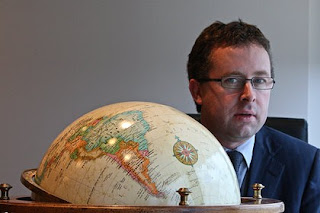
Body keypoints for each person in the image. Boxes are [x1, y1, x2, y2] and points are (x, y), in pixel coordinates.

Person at [187, 20, 320, 213]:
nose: (249, 95)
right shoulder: (161, 159)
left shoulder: (308, 166)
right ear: (197, 91)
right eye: (232, 80)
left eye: (259, 80)